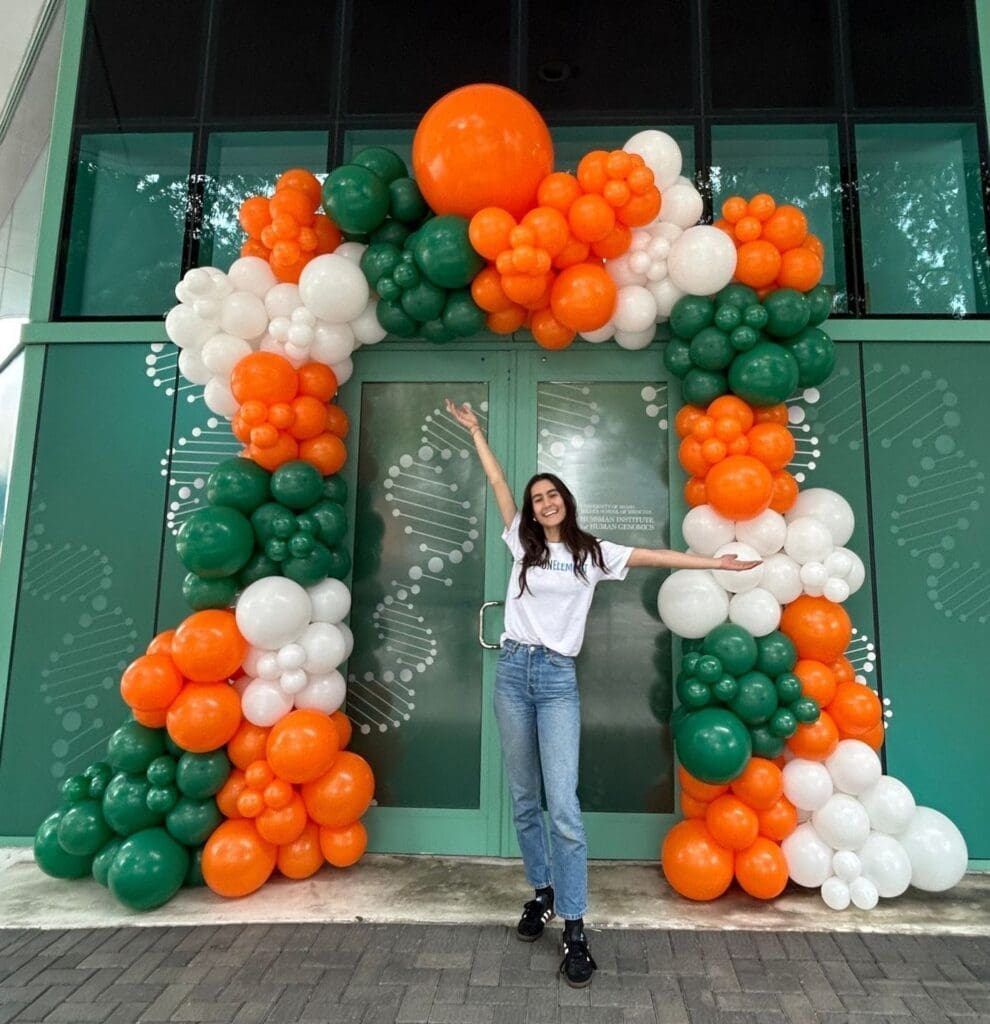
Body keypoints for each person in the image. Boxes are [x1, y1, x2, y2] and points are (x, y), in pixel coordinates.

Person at [445, 399, 760, 988]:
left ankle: (575, 925)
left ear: (566, 499)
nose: (543, 503)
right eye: (537, 498)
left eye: (551, 495)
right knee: (522, 795)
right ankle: (540, 891)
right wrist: (477, 433)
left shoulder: (592, 552)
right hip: (512, 673)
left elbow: (654, 556)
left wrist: (713, 562)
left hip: (557, 682)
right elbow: (495, 481)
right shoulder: (520, 541)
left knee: (562, 805)